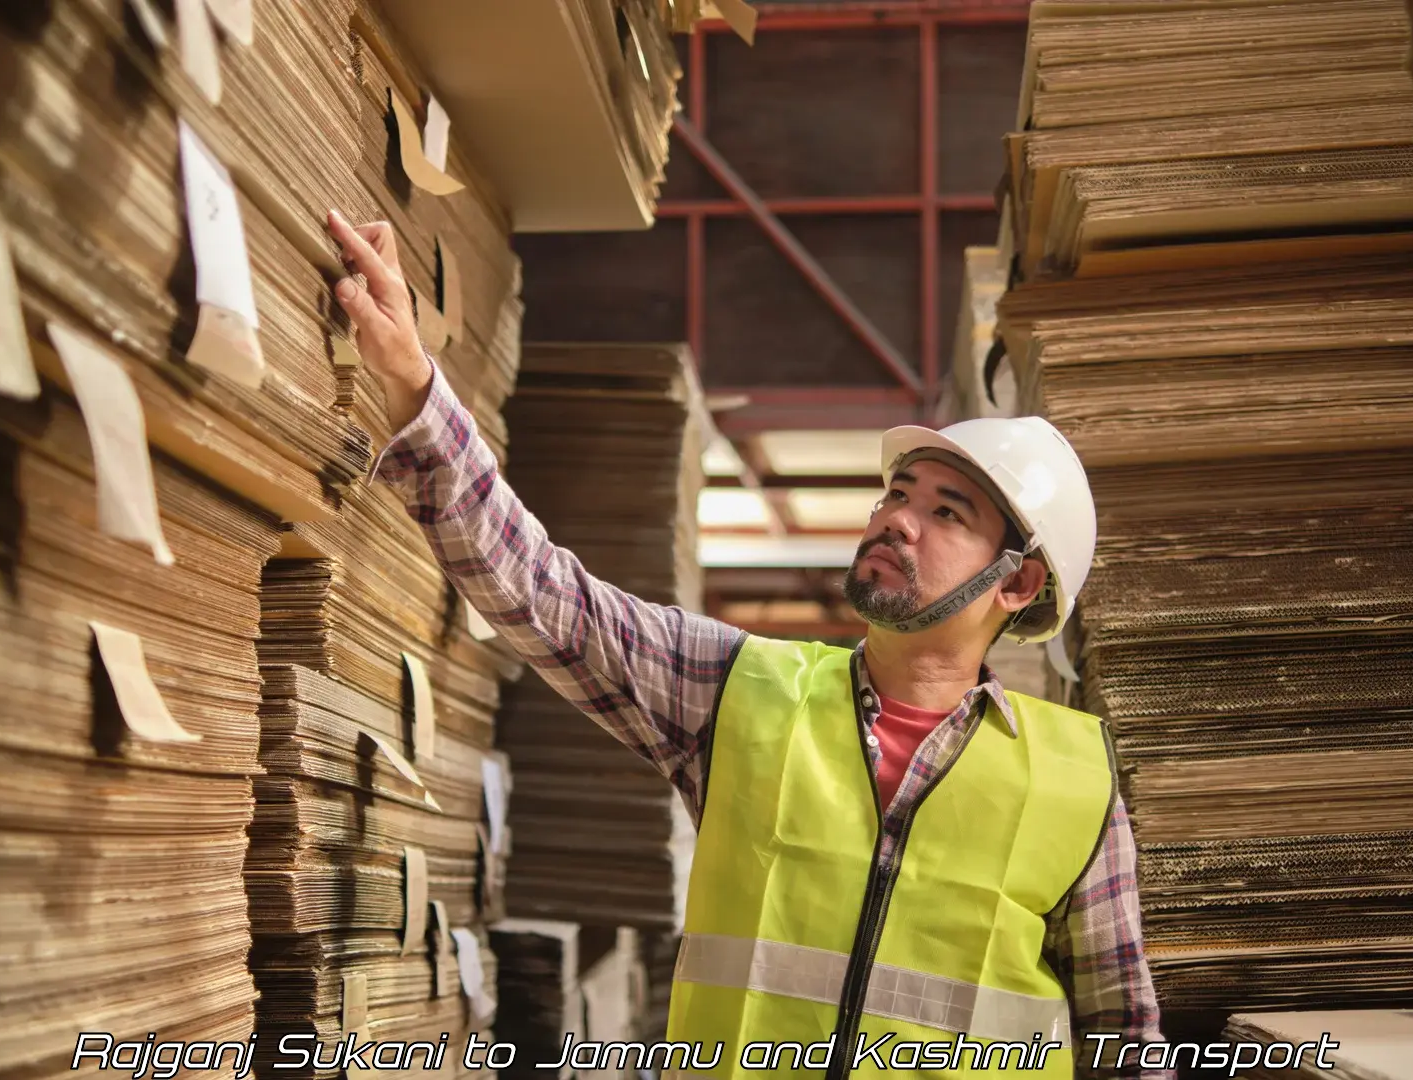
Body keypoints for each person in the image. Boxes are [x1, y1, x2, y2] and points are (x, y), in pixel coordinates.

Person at [325, 211, 1174, 1079]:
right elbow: (547, 596)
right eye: (897, 494)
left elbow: (1126, 1041)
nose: (896, 521)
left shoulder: (1074, 781)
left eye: (945, 513)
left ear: (1018, 585)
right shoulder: (743, 690)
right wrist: (412, 384)